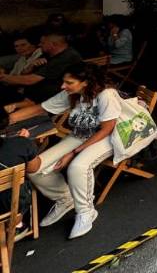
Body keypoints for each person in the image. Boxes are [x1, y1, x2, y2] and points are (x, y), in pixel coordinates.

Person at [8, 63, 121, 239]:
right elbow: (41, 108)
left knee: (77, 166)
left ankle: (85, 212)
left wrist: (74, 152)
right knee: (34, 168)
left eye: (69, 82)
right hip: (80, 136)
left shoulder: (106, 94)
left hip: (107, 137)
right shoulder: (73, 94)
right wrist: (7, 119)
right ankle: (64, 198)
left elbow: (106, 129)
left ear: (85, 82)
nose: (63, 86)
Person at [0, 32, 82, 105]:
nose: (39, 45)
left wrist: (2, 77)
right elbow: (24, 74)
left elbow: (29, 80)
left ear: (53, 44)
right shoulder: (48, 55)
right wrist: (31, 66)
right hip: (30, 96)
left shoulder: (66, 57)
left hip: (45, 101)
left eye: (42, 43)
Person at [0, 108, 41, 218]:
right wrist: (23, 142)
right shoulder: (20, 144)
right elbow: (33, 168)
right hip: (9, 206)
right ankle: (17, 223)